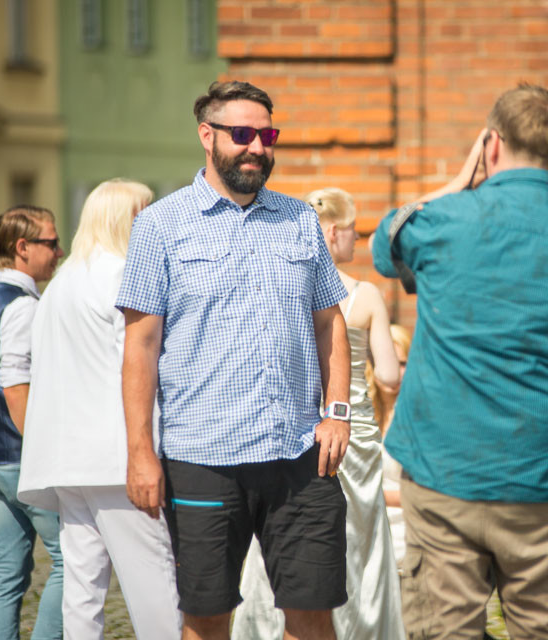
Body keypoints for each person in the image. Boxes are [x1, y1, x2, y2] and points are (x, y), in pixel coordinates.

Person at [370, 83, 548, 639]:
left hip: (443, 470)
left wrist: (457, 184)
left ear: (491, 144)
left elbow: (385, 246)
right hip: (539, 474)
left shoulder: (443, 222)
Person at [116, 81, 351, 640]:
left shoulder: (300, 220)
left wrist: (338, 412)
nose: (257, 148)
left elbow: (329, 323)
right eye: (242, 134)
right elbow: (140, 348)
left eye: (267, 136)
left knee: (314, 614)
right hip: (203, 458)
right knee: (205, 618)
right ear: (207, 135)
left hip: (300, 453)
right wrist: (140, 453)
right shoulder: (160, 225)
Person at [233, 187, 404, 640]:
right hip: (354, 429)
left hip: (298, 428)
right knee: (360, 541)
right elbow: (389, 376)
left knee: (283, 532)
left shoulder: (285, 285)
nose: (356, 240)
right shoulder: (364, 296)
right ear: (331, 232)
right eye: (352, 231)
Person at [16, 180, 181, 639]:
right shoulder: (124, 275)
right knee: (154, 584)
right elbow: (144, 363)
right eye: (144, 214)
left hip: (68, 459)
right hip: (118, 456)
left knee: (82, 592)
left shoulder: (61, 283)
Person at [0, 206, 65, 640]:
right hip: (22, 457)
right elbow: (15, 385)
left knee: (6, 572)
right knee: (73, 562)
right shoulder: (22, 306)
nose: (60, 251)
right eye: (51, 242)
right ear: (23, 248)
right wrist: (42, 450)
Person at [371, 323, 411, 566]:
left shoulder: (416, 418)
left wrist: (375, 496)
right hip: (367, 530)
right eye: (385, 359)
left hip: (405, 535)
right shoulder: (362, 414)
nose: (393, 369)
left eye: (402, 363)